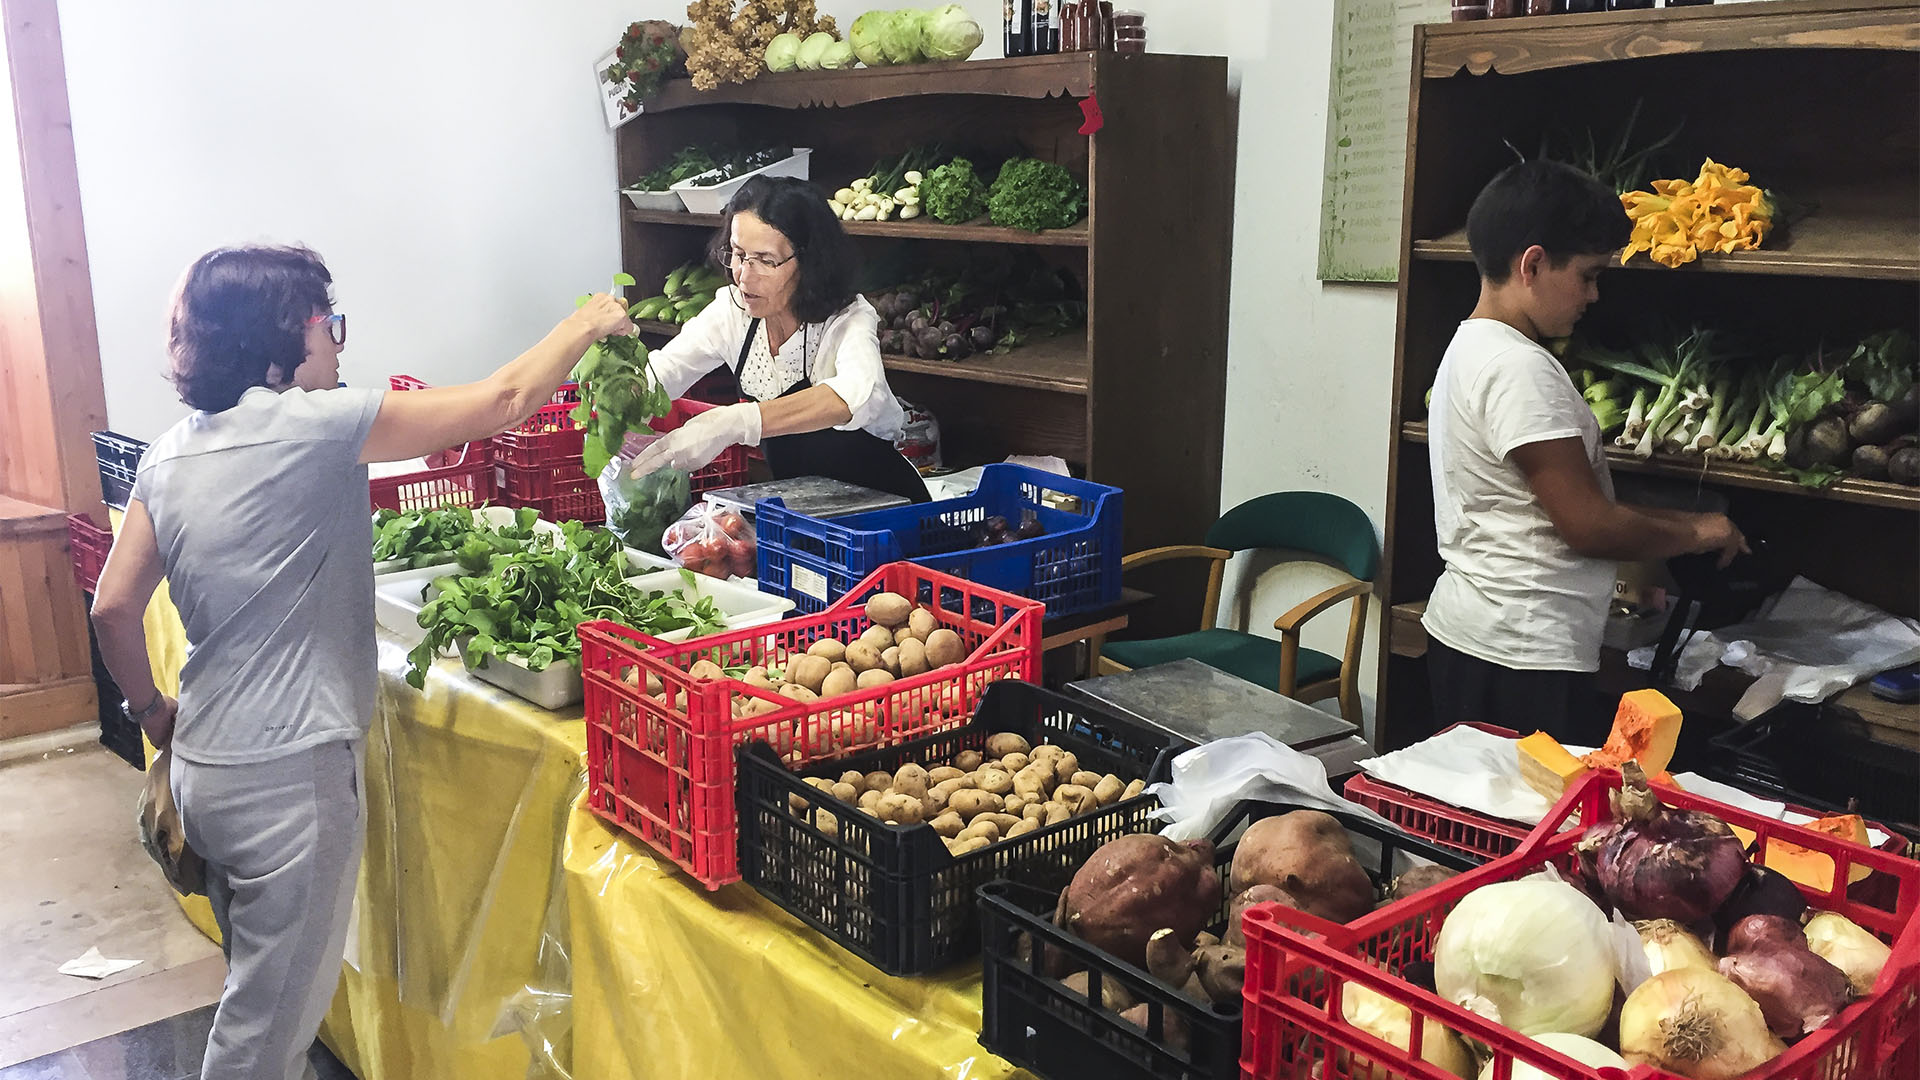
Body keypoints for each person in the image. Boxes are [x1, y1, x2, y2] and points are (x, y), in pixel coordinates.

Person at [88, 245, 635, 1080]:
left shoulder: (169, 455)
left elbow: (113, 608)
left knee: (259, 986)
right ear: (280, 340)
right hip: (290, 778)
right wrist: (588, 320)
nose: (339, 347)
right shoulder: (317, 426)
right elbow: (507, 399)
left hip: (203, 765)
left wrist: (151, 713)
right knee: (261, 1033)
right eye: (326, 326)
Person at [1423, 160, 1746, 742]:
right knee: (1519, 827)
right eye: (1589, 274)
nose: (1595, 295)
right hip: (1520, 655)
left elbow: (1557, 506)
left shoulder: (1470, 346)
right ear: (1534, 263)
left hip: (1481, 634)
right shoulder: (1518, 368)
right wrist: (1697, 533)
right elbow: (1589, 526)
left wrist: (1700, 522)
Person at [628, 175, 929, 503]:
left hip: (888, 510)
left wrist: (737, 421)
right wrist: (620, 390)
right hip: (808, 511)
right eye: (739, 254)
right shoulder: (732, 312)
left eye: (766, 261)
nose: (744, 275)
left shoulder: (847, 318)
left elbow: (856, 394)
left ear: (809, 263)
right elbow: (663, 374)